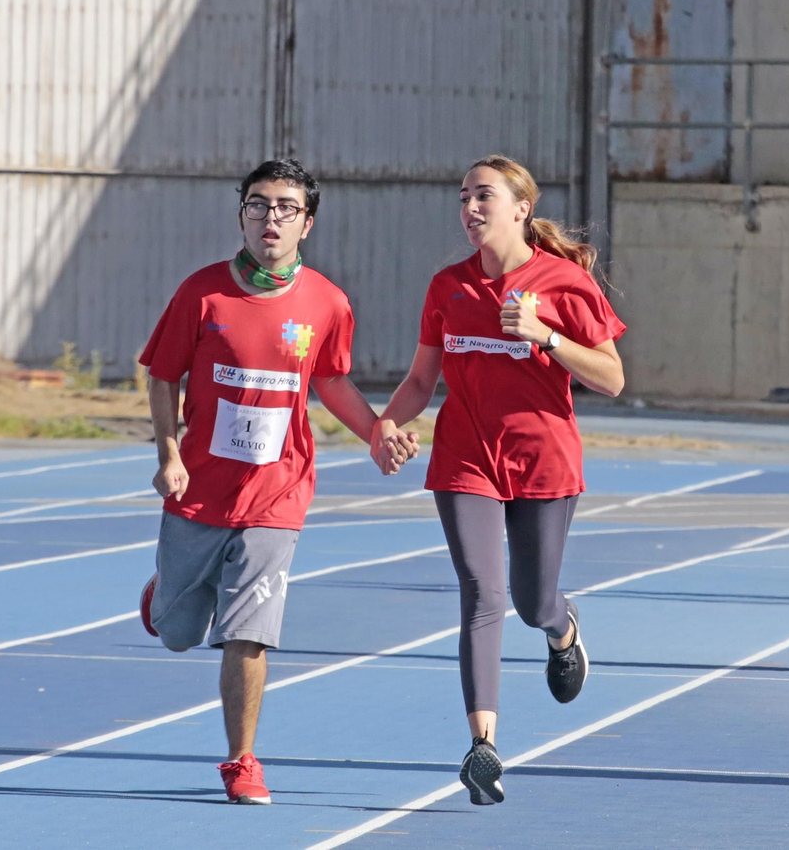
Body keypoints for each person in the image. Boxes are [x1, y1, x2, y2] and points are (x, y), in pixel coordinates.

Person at [136, 159, 419, 804]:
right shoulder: (202, 293)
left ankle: (241, 761)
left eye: (286, 207)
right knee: (178, 633)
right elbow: (163, 374)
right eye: (258, 204)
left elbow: (331, 380)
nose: (271, 217)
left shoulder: (327, 302)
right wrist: (169, 453)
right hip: (199, 489)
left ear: (306, 223)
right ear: (242, 215)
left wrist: (377, 432)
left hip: (279, 492)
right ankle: (166, 593)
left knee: (248, 632)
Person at [375, 155, 627, 806]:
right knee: (482, 593)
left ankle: (562, 628)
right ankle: (482, 746)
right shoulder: (448, 288)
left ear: (521, 208)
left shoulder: (564, 283)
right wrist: (386, 426)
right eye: (463, 197)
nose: (470, 208)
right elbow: (421, 380)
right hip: (466, 458)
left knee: (530, 602)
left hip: (544, 459)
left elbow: (612, 377)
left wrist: (546, 337)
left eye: (484, 196)